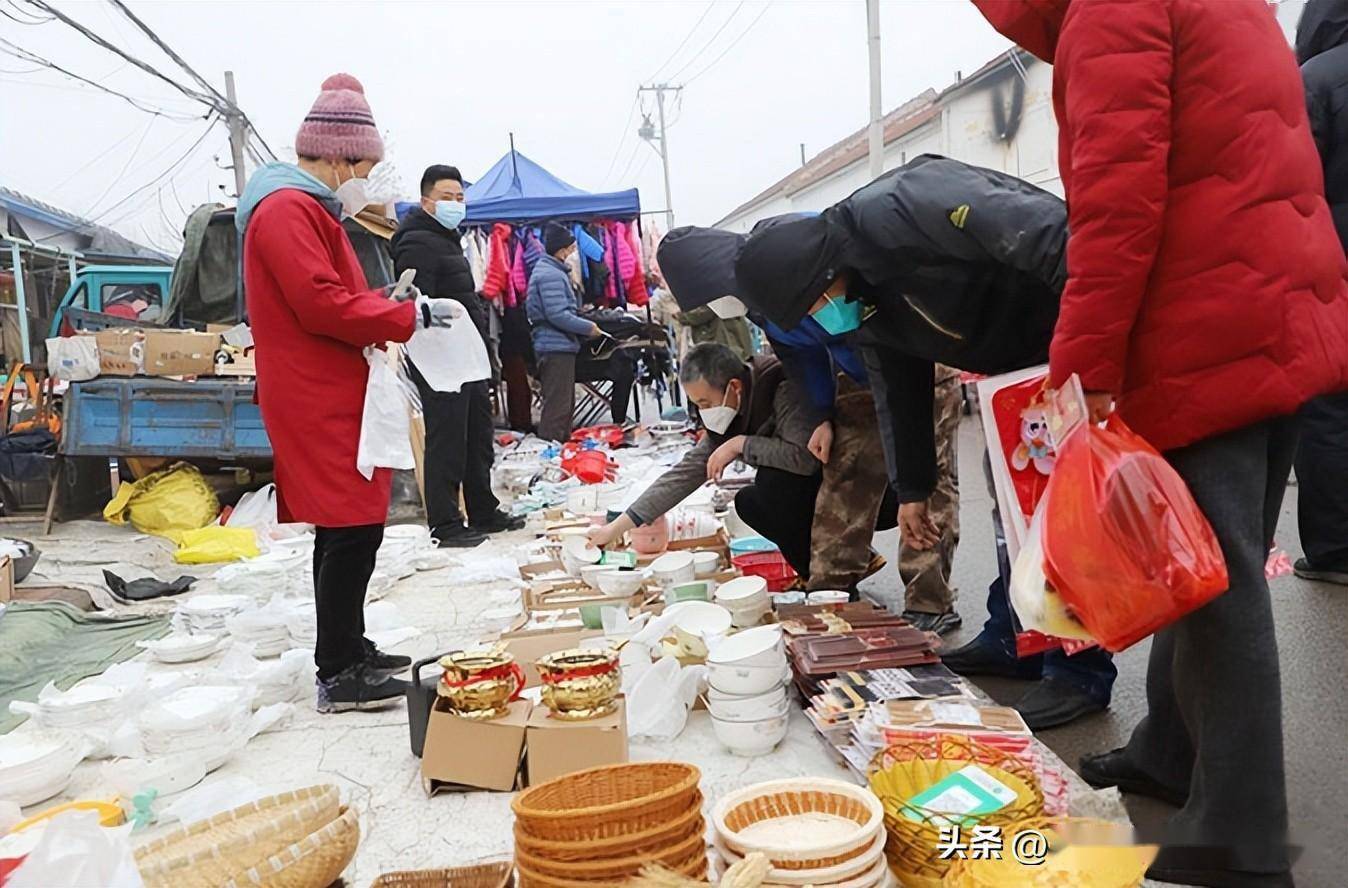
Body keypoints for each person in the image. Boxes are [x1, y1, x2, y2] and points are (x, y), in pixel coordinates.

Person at [974, 3, 1348, 885]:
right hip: (1274, 307)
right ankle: (1169, 754)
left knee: (1219, 604)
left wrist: (1084, 368)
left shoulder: (1113, 10)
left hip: (1205, 328)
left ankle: (1243, 846)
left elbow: (1116, 201)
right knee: (1208, 564)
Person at [733, 156, 1116, 729]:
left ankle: (1079, 673)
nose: (823, 317)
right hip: (1013, 374)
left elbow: (1058, 238)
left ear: (823, 268)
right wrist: (912, 488)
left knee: (1062, 518)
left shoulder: (910, 203)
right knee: (1016, 512)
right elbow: (898, 383)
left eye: (817, 303)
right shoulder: (859, 300)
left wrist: (1092, 364)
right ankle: (1013, 636)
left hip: (1067, 345)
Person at [238, 74, 457, 713]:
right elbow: (318, 303)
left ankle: (349, 647)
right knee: (349, 526)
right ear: (337, 157)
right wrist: (401, 319)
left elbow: (332, 295)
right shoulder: (286, 208)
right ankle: (338, 669)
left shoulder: (308, 208)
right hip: (315, 389)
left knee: (350, 526)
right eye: (365, 165)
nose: (365, 177)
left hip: (330, 382)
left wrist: (382, 303)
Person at [588, 343, 823, 581]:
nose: (704, 413)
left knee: (770, 485)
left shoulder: (781, 387)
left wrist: (741, 444)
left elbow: (805, 458)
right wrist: (615, 528)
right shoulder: (727, 419)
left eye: (706, 403)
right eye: (697, 405)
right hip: (797, 492)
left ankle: (824, 576)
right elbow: (684, 474)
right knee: (750, 501)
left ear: (734, 387)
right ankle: (811, 575)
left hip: (827, 484)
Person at [391, 165, 523, 548]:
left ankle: (483, 509)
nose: (455, 204)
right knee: (447, 439)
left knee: (477, 436)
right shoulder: (416, 240)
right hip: (441, 360)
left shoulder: (449, 239)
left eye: (460, 198)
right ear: (426, 201)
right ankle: (446, 522)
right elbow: (414, 302)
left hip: (466, 354)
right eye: (446, 197)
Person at [1295, 0, 1348, 585]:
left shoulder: (1315, 79)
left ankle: (1336, 549)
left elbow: (1296, 183)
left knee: (1330, 405)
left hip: (1335, 266)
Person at [526, 222, 602, 442]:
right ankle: (551, 453)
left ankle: (560, 450)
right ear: (561, 249)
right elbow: (558, 314)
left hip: (556, 345)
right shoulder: (551, 275)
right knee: (558, 407)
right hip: (555, 346)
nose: (573, 252)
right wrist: (588, 328)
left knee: (562, 404)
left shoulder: (551, 271)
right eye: (571, 247)